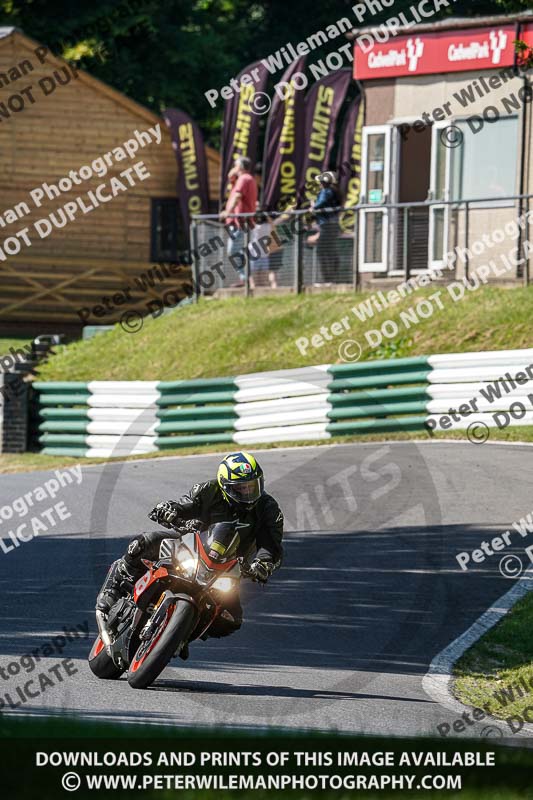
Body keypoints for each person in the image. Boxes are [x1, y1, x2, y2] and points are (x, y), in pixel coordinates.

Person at [96, 451, 284, 649]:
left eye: (252, 486)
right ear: (225, 485)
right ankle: (114, 587)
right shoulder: (208, 489)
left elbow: (271, 545)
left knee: (231, 620)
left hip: (229, 567)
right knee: (146, 542)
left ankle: (182, 634)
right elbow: (185, 505)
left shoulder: (269, 509)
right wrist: (170, 511)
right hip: (192, 547)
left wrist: (263, 564)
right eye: (240, 488)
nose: (247, 493)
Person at [220, 156, 258, 287]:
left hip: (240, 222)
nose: (233, 168)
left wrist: (227, 212)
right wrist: (230, 178)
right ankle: (245, 279)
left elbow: (237, 196)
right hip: (242, 222)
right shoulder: (247, 179)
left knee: (233, 251)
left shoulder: (244, 178)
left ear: (240, 167)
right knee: (239, 251)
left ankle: (245, 278)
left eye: (235, 165)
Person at [309, 171, 341, 283]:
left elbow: (320, 204)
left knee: (322, 252)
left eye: (321, 182)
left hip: (327, 226)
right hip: (333, 225)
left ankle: (328, 280)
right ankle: (331, 279)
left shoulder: (327, 191)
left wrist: (313, 206)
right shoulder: (335, 192)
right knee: (330, 251)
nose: (320, 184)